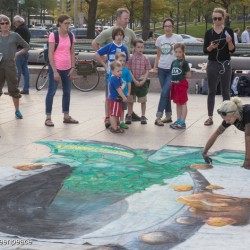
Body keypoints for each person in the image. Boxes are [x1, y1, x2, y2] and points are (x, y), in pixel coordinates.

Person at [92, 8, 137, 128]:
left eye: (128, 18)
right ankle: (108, 117)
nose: (127, 20)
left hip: (122, 71)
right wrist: (104, 61)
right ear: (117, 18)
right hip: (111, 72)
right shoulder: (108, 33)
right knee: (110, 96)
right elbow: (94, 43)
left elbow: (135, 46)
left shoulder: (130, 32)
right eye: (125, 18)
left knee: (122, 94)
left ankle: (120, 118)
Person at [203, 7, 235, 126]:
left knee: (225, 91)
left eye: (219, 18)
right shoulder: (208, 33)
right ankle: (210, 117)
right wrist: (211, 47)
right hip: (212, 64)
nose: (216, 21)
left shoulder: (228, 31)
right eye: (214, 18)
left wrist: (230, 41)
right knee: (211, 91)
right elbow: (205, 51)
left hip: (225, 63)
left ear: (223, 19)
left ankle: (227, 117)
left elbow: (232, 50)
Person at [45, 14, 78, 127]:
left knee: (67, 92)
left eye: (69, 23)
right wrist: (54, 70)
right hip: (56, 68)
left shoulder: (71, 35)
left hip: (67, 68)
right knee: (52, 92)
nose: (68, 26)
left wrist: (73, 67)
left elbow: (72, 52)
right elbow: (50, 53)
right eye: (66, 23)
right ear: (59, 23)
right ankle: (48, 118)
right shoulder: (53, 36)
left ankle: (66, 116)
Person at [202, 97, 250, 169]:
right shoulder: (231, 116)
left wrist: (247, 161)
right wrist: (204, 152)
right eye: (225, 120)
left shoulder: (247, 113)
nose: (227, 122)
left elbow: (248, 138)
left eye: (228, 119)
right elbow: (217, 133)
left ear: (235, 114)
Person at [153, 17, 183, 126]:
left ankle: (158, 116)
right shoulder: (160, 39)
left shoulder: (178, 38)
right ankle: (169, 116)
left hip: (173, 69)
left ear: (173, 27)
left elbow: (182, 53)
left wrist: (182, 67)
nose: (167, 28)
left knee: (164, 92)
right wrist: (155, 67)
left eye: (169, 26)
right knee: (166, 93)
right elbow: (158, 55)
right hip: (162, 68)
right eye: (165, 26)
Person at [0, 15, 30, 119]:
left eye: (6, 23)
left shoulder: (14, 35)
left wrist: (16, 54)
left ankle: (17, 110)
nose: (4, 25)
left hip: (10, 65)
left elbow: (27, 46)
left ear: (9, 24)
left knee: (13, 88)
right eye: (2, 23)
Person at [127, 39, 151, 125]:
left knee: (143, 99)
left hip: (142, 81)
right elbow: (129, 70)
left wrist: (144, 80)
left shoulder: (145, 58)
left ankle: (143, 115)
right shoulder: (131, 58)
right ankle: (129, 115)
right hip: (133, 81)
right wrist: (134, 80)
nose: (140, 49)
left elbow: (148, 70)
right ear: (134, 48)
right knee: (130, 100)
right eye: (138, 47)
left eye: (142, 47)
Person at [169, 43, 191, 129]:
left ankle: (182, 122)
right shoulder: (174, 62)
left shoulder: (184, 63)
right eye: (176, 52)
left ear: (183, 52)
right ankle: (178, 120)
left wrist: (181, 77)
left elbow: (188, 75)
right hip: (174, 84)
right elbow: (172, 72)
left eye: (180, 52)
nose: (178, 54)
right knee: (177, 103)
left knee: (183, 102)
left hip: (181, 85)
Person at [111, 52, 132, 129]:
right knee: (116, 109)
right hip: (116, 95)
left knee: (122, 108)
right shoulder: (113, 72)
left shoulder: (126, 71)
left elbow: (129, 82)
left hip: (124, 93)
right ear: (116, 60)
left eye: (123, 60)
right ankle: (115, 123)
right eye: (120, 60)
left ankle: (122, 121)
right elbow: (110, 82)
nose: (122, 62)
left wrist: (129, 92)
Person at [13, 15, 31, 95]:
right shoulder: (26, 28)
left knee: (17, 71)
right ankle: (26, 89)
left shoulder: (19, 29)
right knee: (25, 70)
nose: (14, 24)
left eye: (14, 22)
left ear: (18, 22)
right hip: (25, 51)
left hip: (19, 51)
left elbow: (15, 41)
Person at [108, 61, 128, 133]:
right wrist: (124, 97)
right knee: (114, 114)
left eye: (121, 70)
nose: (120, 72)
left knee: (116, 113)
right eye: (118, 71)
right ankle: (114, 128)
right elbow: (119, 89)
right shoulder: (114, 79)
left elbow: (120, 87)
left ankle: (115, 126)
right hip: (115, 99)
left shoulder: (117, 77)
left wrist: (122, 86)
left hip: (117, 99)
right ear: (112, 71)